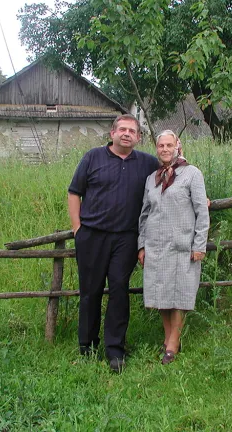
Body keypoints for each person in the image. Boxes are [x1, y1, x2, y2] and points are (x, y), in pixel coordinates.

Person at [67, 114, 160, 373]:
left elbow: (171, 174)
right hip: (92, 236)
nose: (126, 134)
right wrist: (77, 229)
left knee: (119, 289)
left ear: (138, 137)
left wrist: (199, 195)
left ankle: (115, 350)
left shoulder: (147, 163)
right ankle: (87, 345)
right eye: (122, 129)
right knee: (90, 291)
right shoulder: (92, 158)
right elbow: (75, 192)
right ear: (112, 133)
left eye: (132, 130)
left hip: (126, 238)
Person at [137, 130, 210, 365]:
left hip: (182, 246)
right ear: (157, 149)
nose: (165, 149)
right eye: (161, 146)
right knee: (161, 294)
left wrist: (200, 244)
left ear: (178, 146)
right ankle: (170, 339)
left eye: (169, 145)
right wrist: (141, 246)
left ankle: (172, 344)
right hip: (156, 246)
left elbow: (202, 211)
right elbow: (144, 214)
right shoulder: (152, 178)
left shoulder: (192, 174)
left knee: (180, 295)